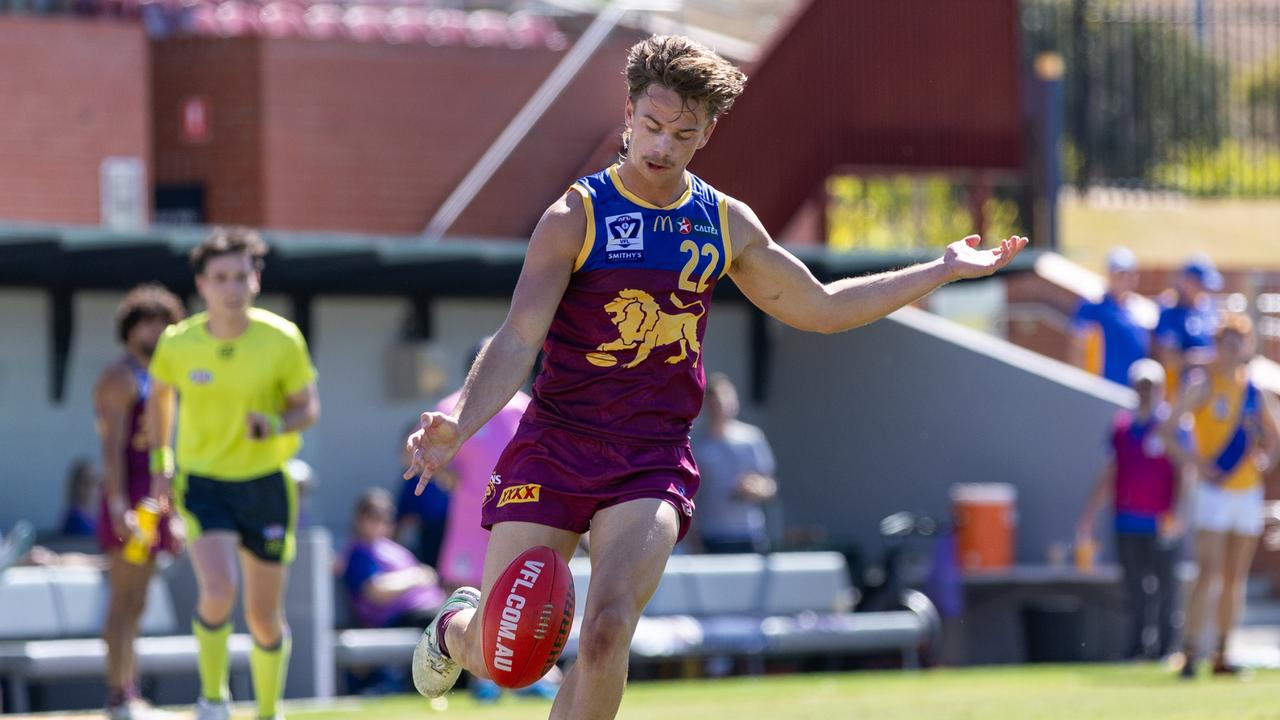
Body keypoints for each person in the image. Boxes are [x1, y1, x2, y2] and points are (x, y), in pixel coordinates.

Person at [403, 34, 1027, 718]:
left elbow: (819, 307)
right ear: (629, 112)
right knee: (508, 659)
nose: (662, 148)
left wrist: (938, 269)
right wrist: (461, 419)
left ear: (707, 133)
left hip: (651, 458)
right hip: (555, 446)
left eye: (682, 134)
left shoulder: (724, 222)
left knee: (608, 630)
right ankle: (455, 629)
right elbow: (520, 335)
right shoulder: (574, 217)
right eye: (651, 126)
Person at [145, 228, 320, 720]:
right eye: (220, 277)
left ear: (256, 280)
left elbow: (307, 408)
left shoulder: (281, 339)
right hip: (203, 484)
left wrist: (276, 424)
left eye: (241, 276)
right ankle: (213, 700)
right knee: (218, 590)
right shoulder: (178, 344)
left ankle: (268, 711)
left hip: (266, 483)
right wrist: (162, 463)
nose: (232, 288)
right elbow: (159, 396)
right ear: (201, 285)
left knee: (263, 617)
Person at [1165, 314, 1280, 678]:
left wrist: (1265, 460)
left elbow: (1274, 434)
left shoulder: (1253, 390)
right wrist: (1197, 463)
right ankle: (1189, 650)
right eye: (1227, 343)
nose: (1232, 351)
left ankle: (1223, 653)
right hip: (1214, 491)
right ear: (1218, 345)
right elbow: (1169, 431)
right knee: (1208, 572)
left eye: (1238, 343)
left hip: (1246, 492)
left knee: (1235, 577)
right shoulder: (1203, 385)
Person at [94, 283, 186, 720]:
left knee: (140, 601)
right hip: (129, 494)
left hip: (157, 497)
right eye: (146, 322)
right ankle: (117, 694)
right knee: (122, 597)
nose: (155, 330)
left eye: (162, 322)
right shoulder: (120, 375)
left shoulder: (165, 376)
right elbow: (110, 447)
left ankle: (130, 691)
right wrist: (117, 505)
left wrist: (176, 510)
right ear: (129, 329)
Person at [1075, 359, 1183, 660]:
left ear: (1162, 388)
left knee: (1166, 588)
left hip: (1160, 520)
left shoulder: (1172, 426)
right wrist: (1089, 516)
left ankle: (1166, 648)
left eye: (1151, 386)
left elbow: (1186, 470)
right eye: (1141, 386)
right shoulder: (1121, 426)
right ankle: (1138, 647)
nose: (1146, 392)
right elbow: (1109, 473)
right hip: (1126, 520)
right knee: (1135, 589)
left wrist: (1178, 514)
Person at [691, 373, 777, 554]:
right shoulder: (697, 444)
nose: (720, 407)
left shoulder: (752, 438)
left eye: (724, 400)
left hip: (749, 533)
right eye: (714, 402)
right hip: (711, 535)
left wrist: (755, 489)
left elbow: (769, 485)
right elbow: (691, 496)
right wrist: (693, 537)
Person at [1069, 247, 1150, 386]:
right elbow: (1077, 349)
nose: (1126, 279)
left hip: (1133, 391)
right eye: (1120, 274)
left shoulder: (1140, 311)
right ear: (1109, 275)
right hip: (1102, 388)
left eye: (1130, 274)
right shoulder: (1092, 308)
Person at [1154, 254, 1221, 401]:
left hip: (1210, 394)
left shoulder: (1210, 308)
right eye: (1200, 284)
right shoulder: (1171, 313)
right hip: (1179, 394)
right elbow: (1168, 358)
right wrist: (1201, 358)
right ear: (1187, 282)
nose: (1204, 289)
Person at [61, 459, 101, 537]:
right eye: (85, 481)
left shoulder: (93, 516)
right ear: (75, 485)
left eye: (94, 480)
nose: (90, 487)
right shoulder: (74, 518)